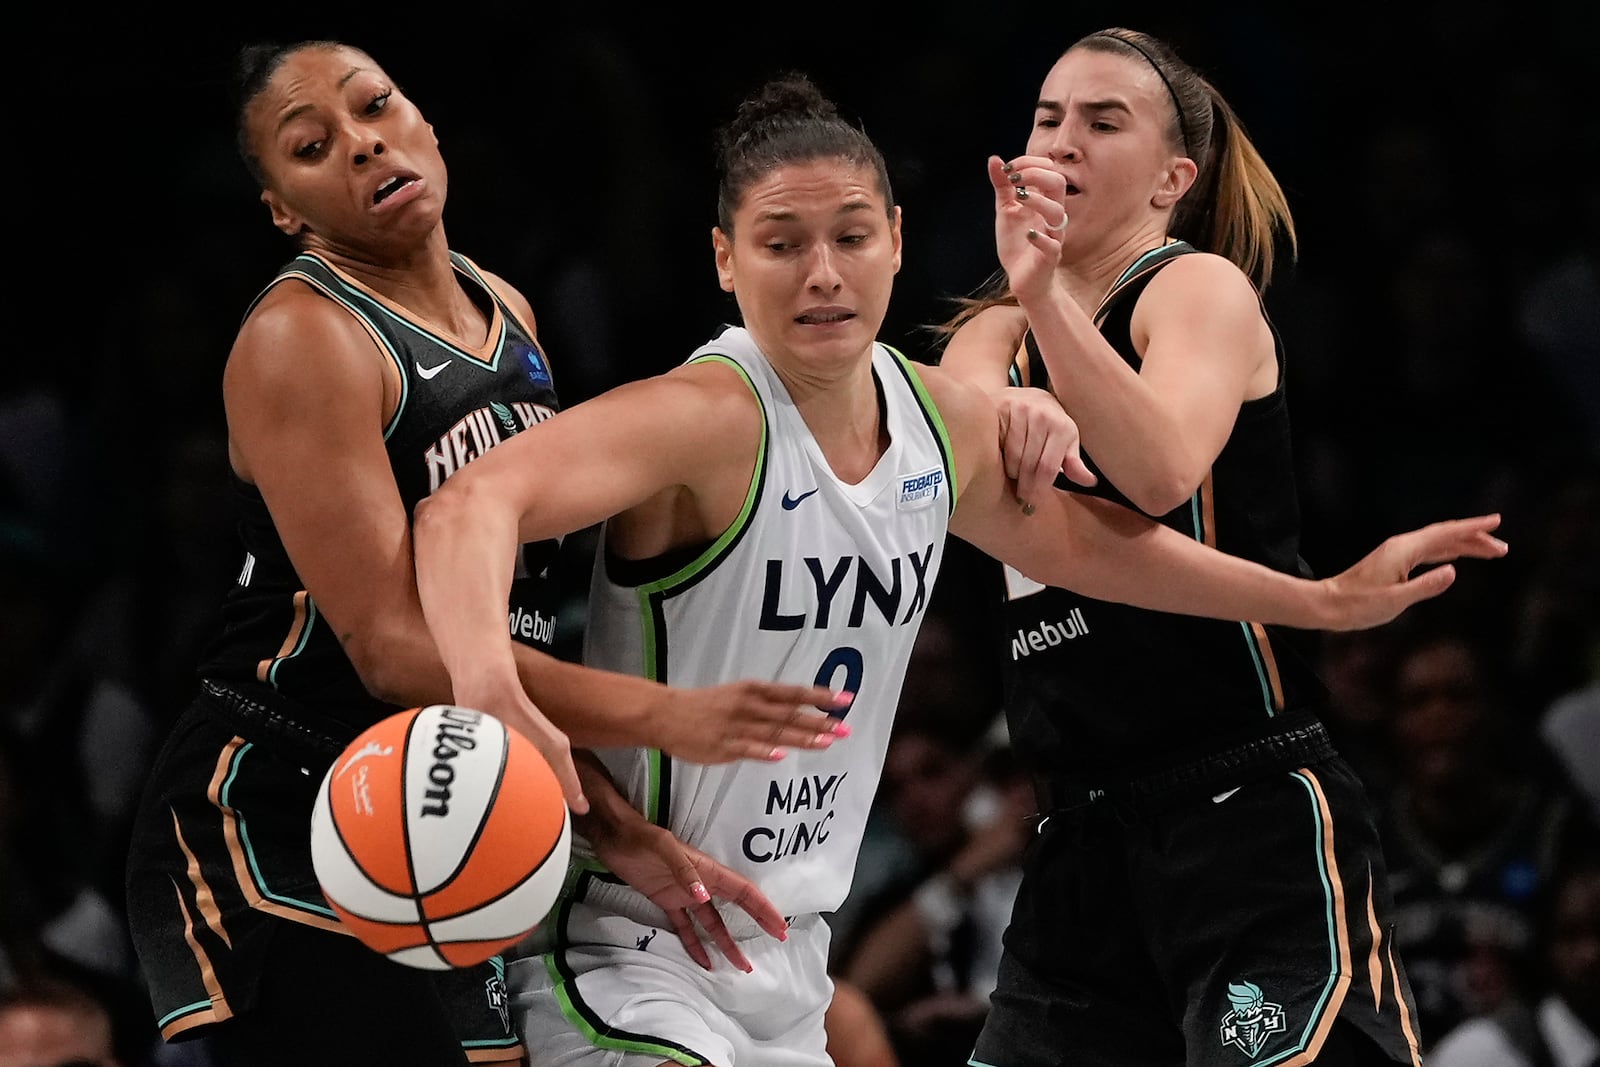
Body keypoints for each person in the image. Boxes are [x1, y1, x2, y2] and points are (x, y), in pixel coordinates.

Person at [409, 72, 1506, 1067]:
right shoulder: (704, 413)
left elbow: (1092, 546)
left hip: (786, 972)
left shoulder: (928, 418)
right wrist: (489, 682)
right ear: (724, 259)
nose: (822, 274)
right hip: (627, 951)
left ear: (895, 238)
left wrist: (1316, 599)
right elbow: (469, 505)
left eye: (849, 235)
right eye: (782, 243)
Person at [121, 40, 852, 1067]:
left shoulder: (504, 308)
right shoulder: (306, 337)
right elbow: (394, 648)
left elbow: (495, 633)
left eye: (376, 106)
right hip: (287, 791)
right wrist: (666, 716)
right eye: (312, 146)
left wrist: (617, 825)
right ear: (283, 207)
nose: (363, 143)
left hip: (453, 790)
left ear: (426, 122)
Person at [937, 25, 1453, 1066]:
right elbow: (960, 478)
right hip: (1078, 838)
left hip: (1244, 804)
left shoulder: (1194, 288)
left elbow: (1163, 465)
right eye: (1046, 119)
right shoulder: (989, 334)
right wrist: (1008, 370)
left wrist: (1042, 294)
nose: (1063, 140)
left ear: (1174, 177)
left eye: (1102, 120)